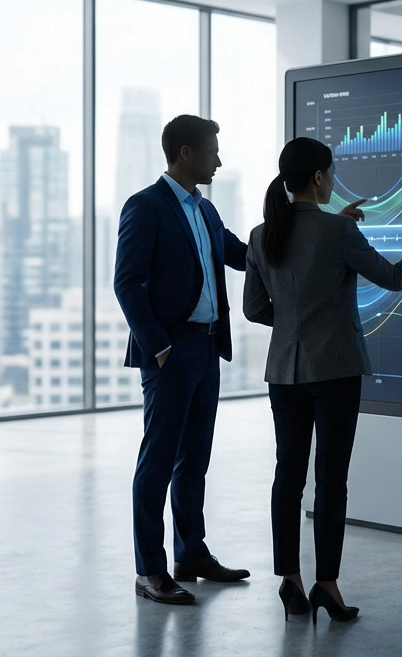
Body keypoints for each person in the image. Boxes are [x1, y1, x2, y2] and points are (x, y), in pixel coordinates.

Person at [243, 137, 402, 624]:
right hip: (334, 370)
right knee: (331, 480)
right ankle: (327, 585)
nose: (333, 179)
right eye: (330, 172)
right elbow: (395, 277)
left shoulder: (260, 233)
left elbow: (255, 309)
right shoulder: (338, 233)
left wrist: (295, 322)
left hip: (284, 374)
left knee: (287, 477)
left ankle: (290, 581)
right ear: (318, 178)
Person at [114, 114, 251, 605]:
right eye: (213, 149)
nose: (219, 159)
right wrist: (160, 346)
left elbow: (242, 254)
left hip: (207, 347)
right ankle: (149, 569)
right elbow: (126, 282)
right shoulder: (146, 206)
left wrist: (307, 230)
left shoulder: (206, 212)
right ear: (187, 152)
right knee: (157, 461)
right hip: (171, 352)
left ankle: (191, 554)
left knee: (194, 460)